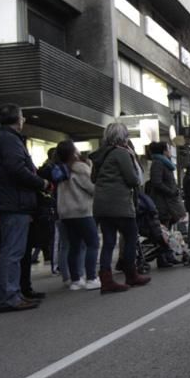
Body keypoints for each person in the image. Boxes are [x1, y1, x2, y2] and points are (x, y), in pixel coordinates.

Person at [0, 104, 49, 313]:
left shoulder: (3, 139)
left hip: (12, 201)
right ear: (17, 119)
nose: (24, 120)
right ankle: (10, 296)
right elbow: (16, 168)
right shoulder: (9, 140)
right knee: (13, 252)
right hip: (14, 202)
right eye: (22, 117)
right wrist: (40, 182)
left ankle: (13, 293)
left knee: (11, 251)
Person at [90, 123, 150, 291]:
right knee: (131, 236)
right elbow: (133, 179)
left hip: (101, 204)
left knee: (108, 242)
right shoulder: (121, 153)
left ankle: (106, 279)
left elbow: (93, 179)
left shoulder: (100, 155)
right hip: (120, 203)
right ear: (123, 137)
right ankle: (131, 274)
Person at [55, 140, 100, 290]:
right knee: (93, 243)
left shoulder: (61, 169)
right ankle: (91, 278)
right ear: (73, 152)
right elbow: (92, 188)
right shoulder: (80, 168)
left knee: (74, 246)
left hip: (66, 213)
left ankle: (75, 280)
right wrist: (90, 167)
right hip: (81, 211)